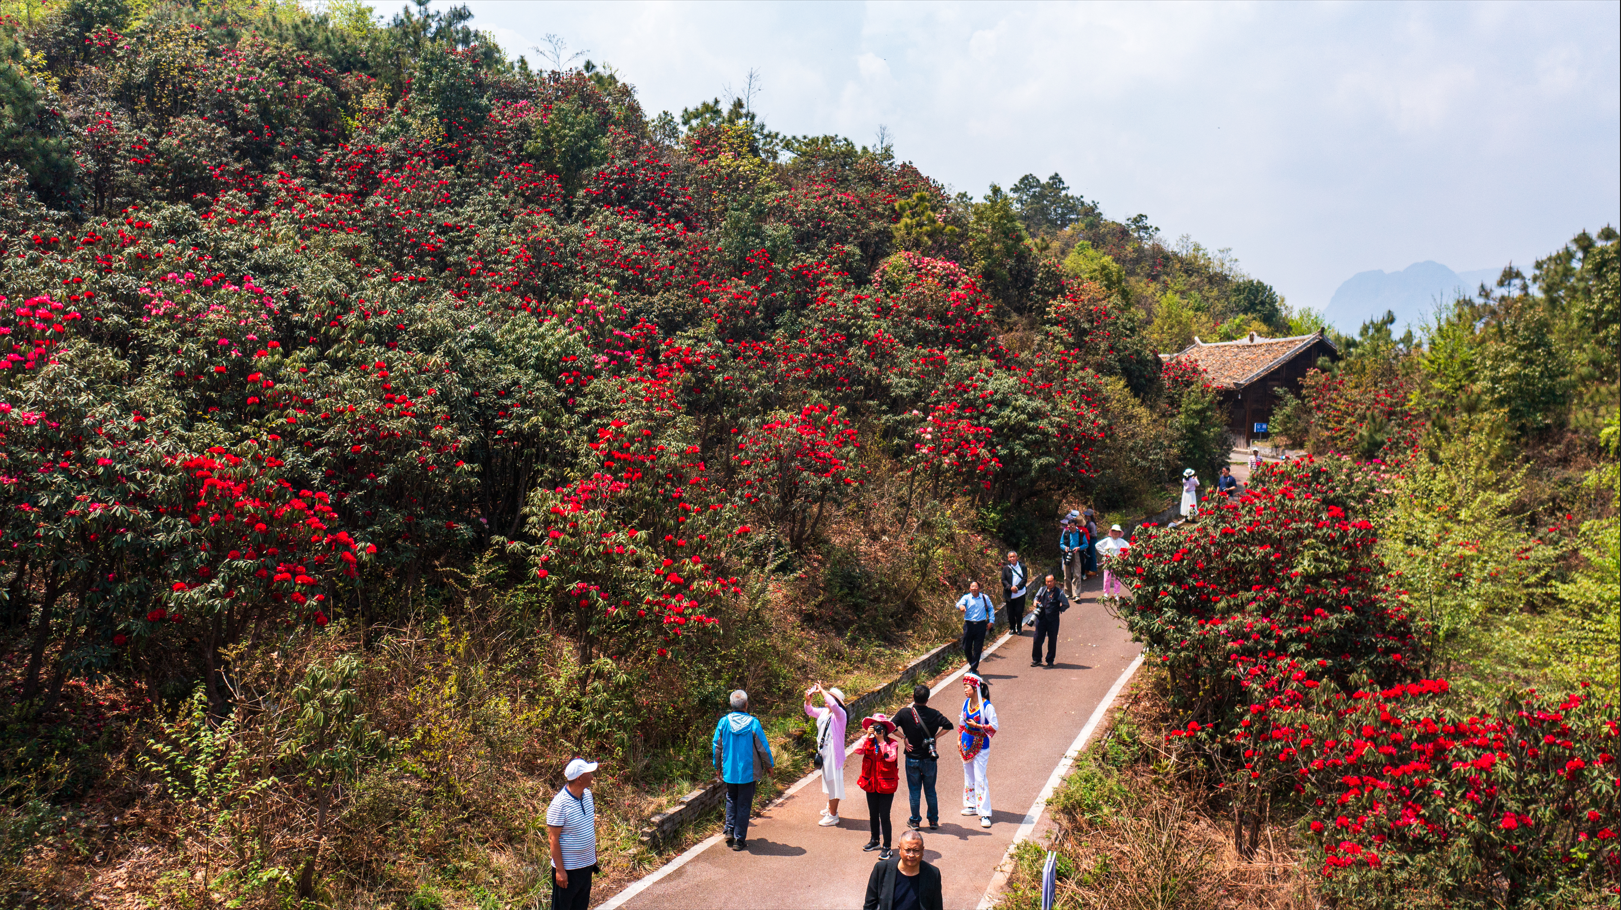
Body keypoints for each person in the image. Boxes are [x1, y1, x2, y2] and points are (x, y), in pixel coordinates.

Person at [712, 689, 774, 851]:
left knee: (731, 798)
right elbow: (763, 747)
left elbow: (717, 747)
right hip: (748, 772)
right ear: (746, 705)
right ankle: (740, 839)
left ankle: (729, 830)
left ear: (731, 705)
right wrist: (769, 765)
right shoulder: (753, 723)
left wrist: (717, 766)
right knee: (744, 804)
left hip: (730, 771)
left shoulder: (724, 722)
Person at [894, 684, 954, 832]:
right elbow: (949, 725)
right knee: (930, 790)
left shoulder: (904, 713)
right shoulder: (934, 714)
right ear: (927, 699)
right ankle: (933, 820)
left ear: (913, 697)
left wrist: (904, 737)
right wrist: (935, 737)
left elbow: (890, 726)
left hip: (912, 758)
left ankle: (915, 821)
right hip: (929, 758)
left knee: (914, 791)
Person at [547, 757, 600, 910]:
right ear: (579, 779)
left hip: (586, 865)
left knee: (580, 906)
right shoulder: (559, 804)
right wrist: (560, 871)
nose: (592, 777)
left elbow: (589, 828)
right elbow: (553, 839)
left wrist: (593, 855)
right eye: (589, 774)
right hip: (568, 870)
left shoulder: (588, 796)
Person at [857, 713, 903, 859]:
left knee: (884, 815)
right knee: (872, 813)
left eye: (879, 727)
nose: (877, 730)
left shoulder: (892, 743)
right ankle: (874, 840)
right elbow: (857, 750)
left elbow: (890, 757)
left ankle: (887, 846)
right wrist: (866, 736)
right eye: (874, 727)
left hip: (886, 785)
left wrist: (882, 741)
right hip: (871, 784)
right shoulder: (868, 742)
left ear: (885, 730)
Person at [862, 829, 944, 910]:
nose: (911, 855)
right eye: (907, 850)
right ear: (899, 849)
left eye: (916, 850)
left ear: (922, 850)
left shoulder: (933, 873)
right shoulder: (881, 869)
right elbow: (869, 905)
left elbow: (936, 907)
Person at [805, 682, 848, 827]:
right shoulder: (825, 712)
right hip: (824, 751)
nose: (826, 699)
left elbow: (834, 705)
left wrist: (822, 690)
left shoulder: (840, 714)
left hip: (833, 753)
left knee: (834, 782)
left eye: (830, 697)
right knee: (829, 781)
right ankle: (831, 807)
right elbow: (809, 711)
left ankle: (833, 815)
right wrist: (808, 700)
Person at [958, 673, 997, 828]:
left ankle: (985, 812)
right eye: (965, 687)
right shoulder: (966, 703)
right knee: (968, 774)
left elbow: (994, 726)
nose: (965, 690)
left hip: (981, 744)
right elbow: (961, 723)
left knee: (980, 778)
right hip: (966, 743)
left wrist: (978, 726)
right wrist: (959, 739)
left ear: (975, 688)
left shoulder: (987, 706)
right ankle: (971, 804)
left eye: (967, 687)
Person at [1029, 573, 1069, 668]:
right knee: (1037, 639)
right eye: (1047, 581)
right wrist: (1035, 602)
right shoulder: (1042, 590)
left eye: (1051, 581)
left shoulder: (1059, 592)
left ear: (1054, 581)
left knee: (1052, 640)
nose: (1049, 583)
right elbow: (1036, 598)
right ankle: (1036, 659)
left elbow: (1066, 604)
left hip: (1053, 620)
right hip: (1041, 619)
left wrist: (1059, 610)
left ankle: (1050, 660)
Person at [955, 581, 995, 674]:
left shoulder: (984, 598)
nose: (973, 588)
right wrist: (961, 606)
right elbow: (959, 604)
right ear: (969, 589)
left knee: (978, 648)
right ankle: (972, 663)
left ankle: (973, 669)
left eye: (975, 587)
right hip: (969, 625)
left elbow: (990, 608)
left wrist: (991, 621)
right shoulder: (966, 597)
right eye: (971, 587)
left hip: (981, 625)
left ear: (979, 588)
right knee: (966, 647)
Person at [1096, 524, 1132, 598]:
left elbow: (1129, 547)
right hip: (1108, 561)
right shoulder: (1107, 540)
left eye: (1117, 531)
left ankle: (1116, 593)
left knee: (1117, 578)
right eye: (1114, 531)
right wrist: (1105, 553)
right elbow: (1097, 545)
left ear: (1119, 533)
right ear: (1111, 532)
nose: (1115, 533)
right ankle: (1106, 593)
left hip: (1118, 561)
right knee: (1106, 578)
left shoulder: (1122, 541)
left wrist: (1123, 555)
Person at [1000, 551, 1030, 635]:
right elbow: (1003, 580)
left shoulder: (1022, 566)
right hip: (1010, 594)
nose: (1012, 558)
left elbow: (1024, 579)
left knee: (1019, 612)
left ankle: (1019, 628)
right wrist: (1010, 588)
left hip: (1020, 593)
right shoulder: (1006, 568)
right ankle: (1012, 628)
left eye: (1014, 556)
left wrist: (1017, 587)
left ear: (1017, 557)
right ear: (1008, 559)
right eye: (1010, 557)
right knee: (1010, 613)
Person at [1058, 519, 1085, 597]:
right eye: (1069, 526)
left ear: (1076, 525)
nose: (1071, 528)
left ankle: (1076, 594)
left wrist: (1079, 548)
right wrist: (1065, 548)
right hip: (1067, 553)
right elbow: (1061, 543)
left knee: (1077, 574)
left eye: (1072, 526)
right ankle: (1068, 592)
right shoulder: (1065, 532)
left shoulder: (1080, 533)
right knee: (1067, 574)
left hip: (1077, 554)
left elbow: (1085, 544)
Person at [1083, 509, 1100, 576]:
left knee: (1092, 555)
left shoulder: (1091, 524)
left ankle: (1093, 569)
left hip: (1092, 540)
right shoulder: (1088, 523)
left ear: (1089, 516)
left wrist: (1086, 533)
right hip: (1089, 540)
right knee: (1088, 554)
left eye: (1086, 515)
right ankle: (1088, 568)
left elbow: (1094, 534)